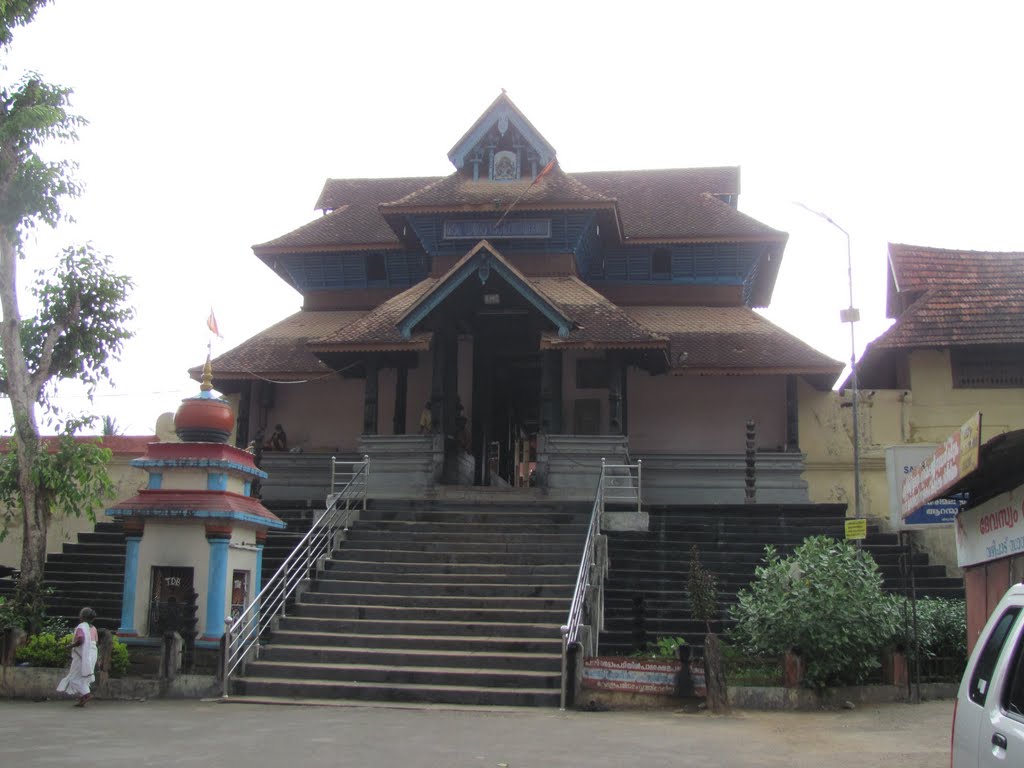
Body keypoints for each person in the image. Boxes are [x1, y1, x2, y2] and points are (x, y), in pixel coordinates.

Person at [57, 607, 99, 707]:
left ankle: (86, 694)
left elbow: (81, 640)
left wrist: (69, 646)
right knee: (84, 677)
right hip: (92, 654)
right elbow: (95, 642)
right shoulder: (93, 628)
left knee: (74, 677)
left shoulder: (81, 627)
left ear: (83, 617)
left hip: (81, 655)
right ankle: (82, 698)